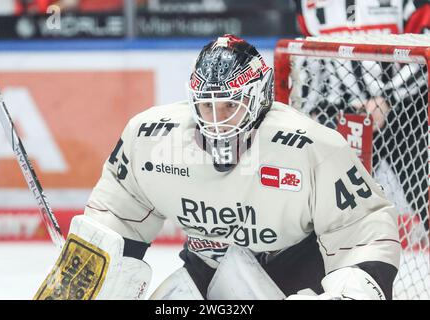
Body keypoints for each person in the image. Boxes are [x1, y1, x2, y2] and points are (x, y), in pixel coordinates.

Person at [34, 34, 400, 300]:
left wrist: (352, 294)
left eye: (228, 106)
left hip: (295, 278)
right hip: (207, 272)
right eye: (206, 106)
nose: (216, 120)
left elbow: (363, 230)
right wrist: (81, 270)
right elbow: (117, 218)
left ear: (259, 99)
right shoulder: (150, 136)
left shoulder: (310, 145)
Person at [293, 0, 429, 231]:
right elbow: (310, 53)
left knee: (425, 195)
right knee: (341, 214)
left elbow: (427, 47)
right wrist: (307, 111)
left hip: (406, 113)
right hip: (343, 116)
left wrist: (389, 98)